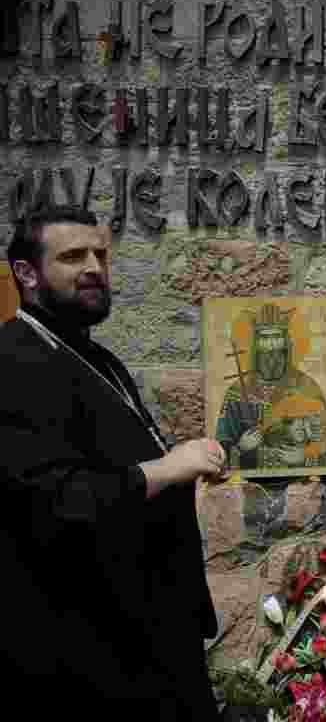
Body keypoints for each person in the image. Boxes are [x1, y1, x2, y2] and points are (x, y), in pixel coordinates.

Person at [1, 205, 228, 719]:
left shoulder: (92, 354)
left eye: (101, 254)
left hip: (149, 633)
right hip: (86, 654)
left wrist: (183, 466)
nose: (94, 268)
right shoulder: (10, 361)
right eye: (72, 256)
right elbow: (58, 499)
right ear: (26, 273)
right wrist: (170, 467)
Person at [214, 302, 326, 472]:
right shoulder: (237, 391)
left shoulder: (307, 387)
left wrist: (305, 455)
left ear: (286, 343)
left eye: (276, 337)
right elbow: (220, 454)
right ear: (255, 344)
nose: (270, 346)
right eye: (264, 338)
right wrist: (240, 448)